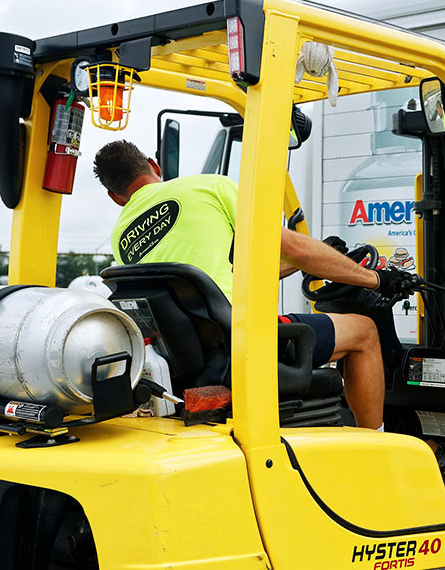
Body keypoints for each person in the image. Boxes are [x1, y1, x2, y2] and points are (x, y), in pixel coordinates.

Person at [93, 140, 416, 429]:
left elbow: (213, 284)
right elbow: (294, 247)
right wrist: (377, 278)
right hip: (246, 342)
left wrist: (319, 259)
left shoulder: (120, 237)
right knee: (363, 331)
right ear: (154, 165)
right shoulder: (208, 187)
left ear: (115, 197)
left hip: (194, 359)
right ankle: (377, 444)